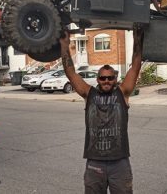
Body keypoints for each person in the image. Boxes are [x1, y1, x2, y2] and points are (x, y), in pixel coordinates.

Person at [60, 26, 144, 194]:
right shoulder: (88, 93)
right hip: (94, 163)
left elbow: (135, 66)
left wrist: (137, 38)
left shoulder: (123, 93)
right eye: (103, 78)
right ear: (97, 79)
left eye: (110, 78)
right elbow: (71, 73)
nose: (106, 81)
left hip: (119, 163)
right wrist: (64, 44)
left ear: (115, 79)